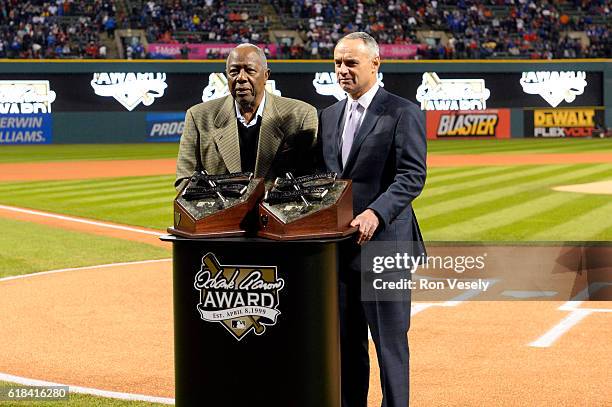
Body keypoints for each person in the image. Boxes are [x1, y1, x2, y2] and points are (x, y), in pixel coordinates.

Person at [318, 32, 427, 407]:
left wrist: (376, 212)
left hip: (387, 248)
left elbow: (412, 176)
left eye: (351, 63)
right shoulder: (328, 116)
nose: (343, 70)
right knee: (347, 344)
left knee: (390, 345)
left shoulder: (402, 111)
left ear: (375, 64)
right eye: (337, 63)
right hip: (340, 249)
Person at [175, 43, 318, 189]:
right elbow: (185, 181)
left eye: (250, 70)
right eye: (234, 71)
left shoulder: (301, 115)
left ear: (265, 75)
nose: (241, 78)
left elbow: (310, 181)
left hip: (277, 210)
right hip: (222, 210)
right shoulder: (198, 116)